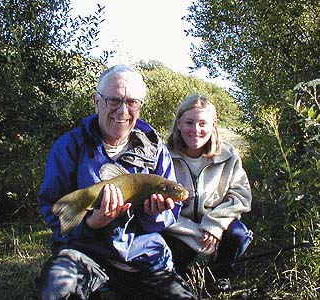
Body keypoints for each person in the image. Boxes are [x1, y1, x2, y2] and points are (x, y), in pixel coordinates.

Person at [37, 65, 197, 300]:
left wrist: (153, 215)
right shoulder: (69, 146)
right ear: (97, 101)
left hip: (142, 253)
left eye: (132, 102)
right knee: (56, 292)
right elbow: (53, 210)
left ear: (140, 106)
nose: (123, 111)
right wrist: (92, 223)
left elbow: (165, 220)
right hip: (84, 250)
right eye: (114, 100)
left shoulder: (155, 150)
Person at [163, 93, 253, 294]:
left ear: (213, 125)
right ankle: (184, 274)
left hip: (218, 225)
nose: (196, 130)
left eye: (203, 123)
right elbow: (159, 209)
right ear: (178, 124)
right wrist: (193, 233)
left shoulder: (228, 155)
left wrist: (214, 225)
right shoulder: (164, 156)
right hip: (179, 230)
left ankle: (221, 276)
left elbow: (241, 196)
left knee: (239, 234)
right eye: (189, 122)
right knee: (171, 265)